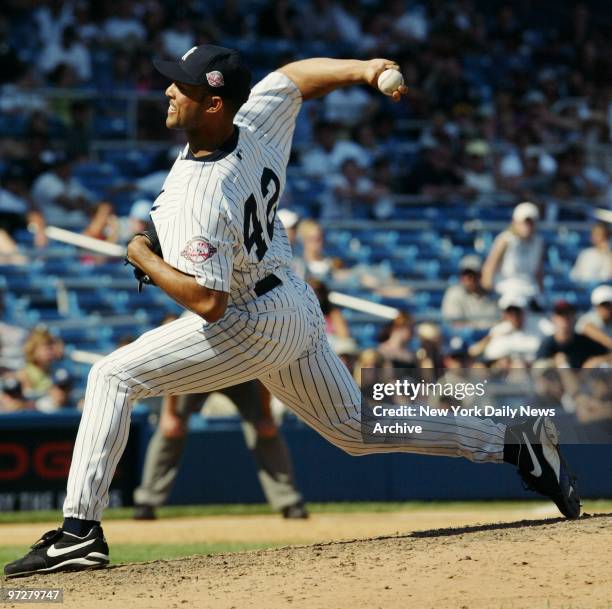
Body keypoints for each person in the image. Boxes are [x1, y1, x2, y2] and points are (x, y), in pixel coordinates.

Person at [4, 46, 580, 578]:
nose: (167, 93)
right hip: (294, 304)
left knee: (111, 375)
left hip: (250, 321)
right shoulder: (251, 124)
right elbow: (294, 79)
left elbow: (208, 302)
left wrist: (140, 254)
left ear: (214, 103)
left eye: (179, 87)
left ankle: (79, 531)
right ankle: (513, 440)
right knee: (355, 428)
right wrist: (363, 69)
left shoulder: (193, 195)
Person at [134, 381, 307, 520]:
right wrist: (169, 413)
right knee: (170, 430)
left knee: (265, 431)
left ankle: (289, 501)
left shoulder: (245, 339)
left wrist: (266, 414)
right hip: (195, 373)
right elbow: (173, 369)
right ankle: (146, 502)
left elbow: (264, 373)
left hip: (241, 375)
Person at [481, 201, 545, 300]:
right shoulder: (505, 239)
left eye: (531, 223)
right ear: (515, 222)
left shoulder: (538, 242)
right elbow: (490, 265)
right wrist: (487, 291)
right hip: (507, 290)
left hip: (531, 291)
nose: (527, 226)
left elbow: (538, 271)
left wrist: (541, 293)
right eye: (525, 222)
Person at [536, 300, 609, 368]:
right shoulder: (547, 345)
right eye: (560, 315)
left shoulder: (584, 341)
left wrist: (598, 360)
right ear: (553, 319)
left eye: (568, 315)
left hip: (585, 380)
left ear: (574, 318)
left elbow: (606, 354)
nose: (564, 320)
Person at [441, 255, 498, 327]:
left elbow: (498, 322)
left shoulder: (492, 295)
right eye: (466, 275)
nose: (469, 279)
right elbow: (455, 325)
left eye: (473, 274)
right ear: (461, 276)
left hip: (491, 336)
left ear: (480, 275)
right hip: (463, 337)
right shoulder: (454, 293)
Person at [575, 284, 612, 349]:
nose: (606, 309)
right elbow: (589, 329)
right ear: (596, 306)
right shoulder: (588, 319)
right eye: (603, 305)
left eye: (608, 305)